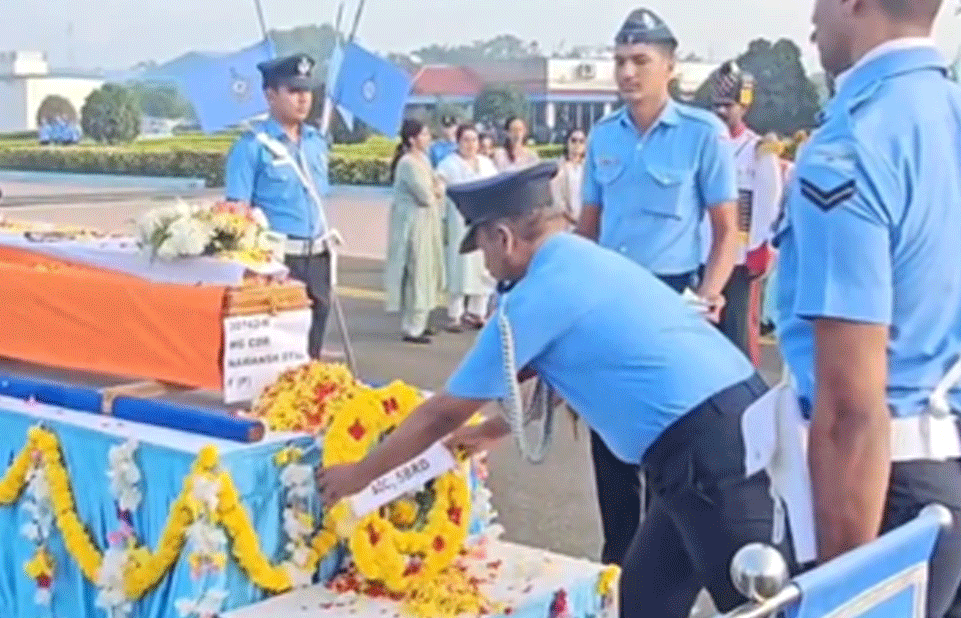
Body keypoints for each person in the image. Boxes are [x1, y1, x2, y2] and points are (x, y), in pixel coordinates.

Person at [318, 162, 795, 618]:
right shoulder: (581, 259)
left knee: (757, 603)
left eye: (482, 248)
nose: (485, 265)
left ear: (502, 238)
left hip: (713, 454)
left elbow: (443, 413)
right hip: (712, 436)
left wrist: (359, 475)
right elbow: (579, 367)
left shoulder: (535, 295)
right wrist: (494, 429)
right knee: (644, 602)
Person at [776, 0, 961, 616]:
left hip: (880, 494)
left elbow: (853, 408)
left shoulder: (848, 149)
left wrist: (851, 593)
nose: (814, 16)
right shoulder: (948, 115)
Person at [575, 6, 740, 566]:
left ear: (668, 67)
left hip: (673, 301)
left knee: (670, 452)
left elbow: (725, 233)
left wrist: (707, 296)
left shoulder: (702, 135)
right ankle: (615, 568)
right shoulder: (602, 138)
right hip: (609, 303)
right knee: (611, 450)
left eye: (639, 60)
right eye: (619, 60)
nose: (626, 72)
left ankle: (661, 573)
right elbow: (587, 232)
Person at [225, 53, 335, 359]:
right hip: (278, 260)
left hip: (318, 256)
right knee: (279, 347)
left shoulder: (316, 141)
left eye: (307, 91)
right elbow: (238, 214)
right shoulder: (251, 147)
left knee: (312, 348)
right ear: (270, 95)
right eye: (293, 91)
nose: (303, 100)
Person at [701, 61, 782, 366]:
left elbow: (767, 204)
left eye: (728, 105)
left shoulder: (758, 149)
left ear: (743, 107)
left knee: (737, 336)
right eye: (717, 105)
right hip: (704, 252)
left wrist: (758, 249)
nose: (721, 112)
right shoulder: (707, 144)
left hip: (739, 255)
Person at [384, 119, 445, 344]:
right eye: (424, 134)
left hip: (426, 222)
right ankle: (412, 327)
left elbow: (435, 187)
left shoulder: (423, 160)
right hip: (413, 224)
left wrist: (437, 188)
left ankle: (421, 320)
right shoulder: (408, 163)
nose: (428, 138)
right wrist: (437, 188)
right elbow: (426, 196)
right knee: (417, 272)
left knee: (427, 270)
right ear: (412, 139)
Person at [436, 123, 499, 331]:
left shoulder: (486, 164)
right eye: (466, 140)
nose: (471, 144)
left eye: (474, 140)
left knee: (483, 266)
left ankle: (477, 312)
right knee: (459, 265)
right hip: (459, 223)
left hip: (484, 221)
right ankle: (455, 314)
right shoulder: (449, 164)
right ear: (458, 141)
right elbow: (439, 187)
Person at [554, 128, 586, 227]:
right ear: (567, 142)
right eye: (573, 140)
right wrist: (572, 219)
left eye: (581, 141)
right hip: (566, 224)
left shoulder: (589, 168)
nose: (577, 144)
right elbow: (558, 201)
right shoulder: (559, 167)